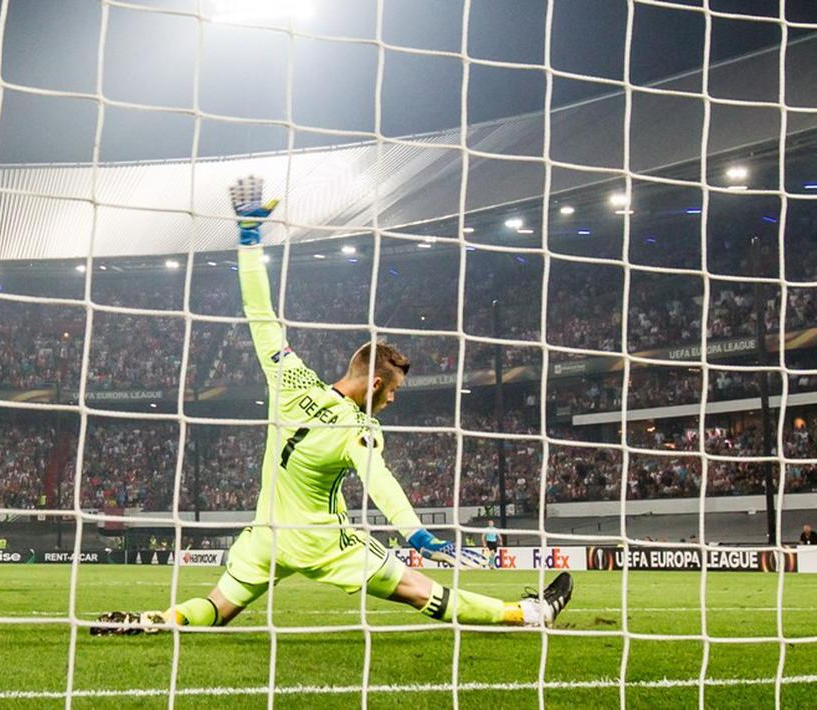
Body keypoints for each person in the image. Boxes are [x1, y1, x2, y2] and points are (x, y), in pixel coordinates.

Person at [93, 177, 571, 635]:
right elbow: (379, 480)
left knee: (219, 606)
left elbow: (260, 314)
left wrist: (249, 236)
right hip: (323, 541)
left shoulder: (291, 379)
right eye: (393, 391)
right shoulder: (355, 427)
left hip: (267, 534)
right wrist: (416, 535)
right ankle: (528, 614)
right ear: (377, 382)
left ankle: (159, 619)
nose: (393, 399)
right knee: (419, 589)